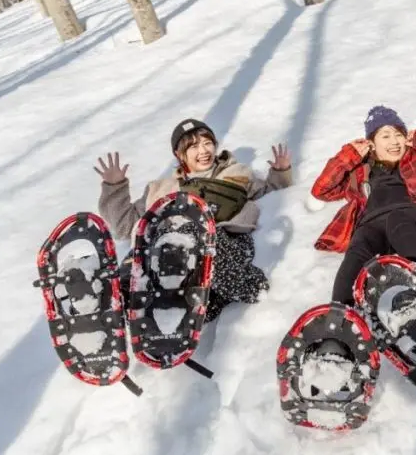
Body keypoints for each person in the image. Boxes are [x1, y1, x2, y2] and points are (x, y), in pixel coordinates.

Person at [95, 118, 293, 321]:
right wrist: (115, 187)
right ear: (179, 154)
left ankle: (249, 286)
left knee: (194, 236)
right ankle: (115, 298)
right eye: (194, 146)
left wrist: (280, 173)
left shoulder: (238, 174)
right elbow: (124, 227)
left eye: (208, 143)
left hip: (223, 244)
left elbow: (272, 196)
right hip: (169, 258)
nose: (204, 151)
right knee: (141, 250)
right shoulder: (159, 188)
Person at [310, 106, 416, 305]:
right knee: (359, 245)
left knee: (398, 220)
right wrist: (348, 156)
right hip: (370, 224)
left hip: (414, 218)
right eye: (385, 136)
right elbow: (321, 190)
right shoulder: (359, 171)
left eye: (398, 134)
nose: (394, 141)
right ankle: (343, 315)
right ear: (371, 143)